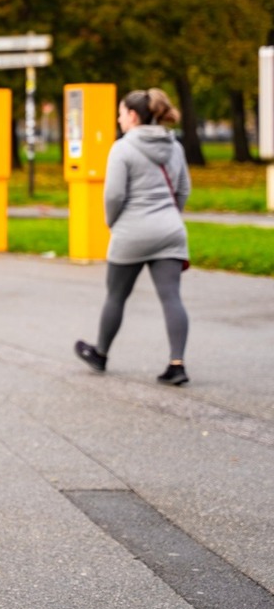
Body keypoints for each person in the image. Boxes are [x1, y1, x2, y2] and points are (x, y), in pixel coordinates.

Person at [75, 88, 191, 386]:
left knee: (116, 295)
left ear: (134, 116)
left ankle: (100, 354)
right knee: (171, 297)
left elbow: (114, 195)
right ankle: (176, 364)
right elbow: (183, 189)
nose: (118, 118)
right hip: (170, 231)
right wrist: (169, 215)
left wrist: (113, 222)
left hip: (132, 232)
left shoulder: (123, 148)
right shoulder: (174, 145)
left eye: (121, 112)